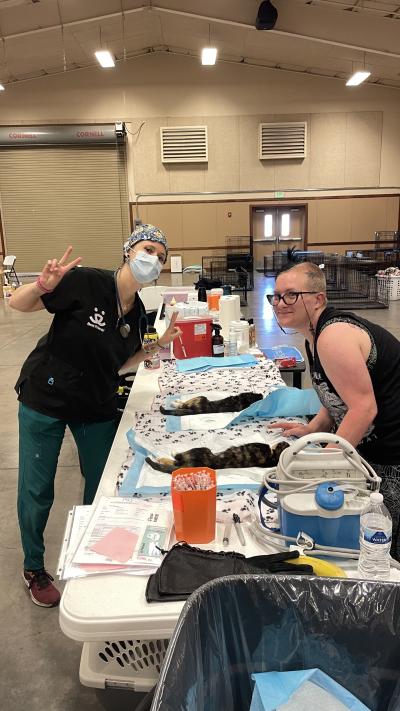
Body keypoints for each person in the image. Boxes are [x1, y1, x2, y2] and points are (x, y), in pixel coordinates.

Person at [10, 223, 181, 607]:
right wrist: (40, 285)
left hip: (94, 404)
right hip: (46, 399)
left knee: (102, 483)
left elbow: (122, 365)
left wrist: (157, 348)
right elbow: (16, 304)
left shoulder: (139, 314)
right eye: (147, 249)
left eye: (160, 255)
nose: (152, 259)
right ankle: (34, 568)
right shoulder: (86, 282)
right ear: (129, 250)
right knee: (36, 489)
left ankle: (92, 553)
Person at [267, 261, 400, 560]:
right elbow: (338, 396)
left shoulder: (333, 336)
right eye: (276, 296)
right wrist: (313, 428)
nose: (279, 303)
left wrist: (325, 462)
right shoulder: (312, 337)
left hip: (392, 458)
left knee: (380, 551)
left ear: (319, 299)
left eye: (291, 294)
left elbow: (364, 409)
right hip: (373, 448)